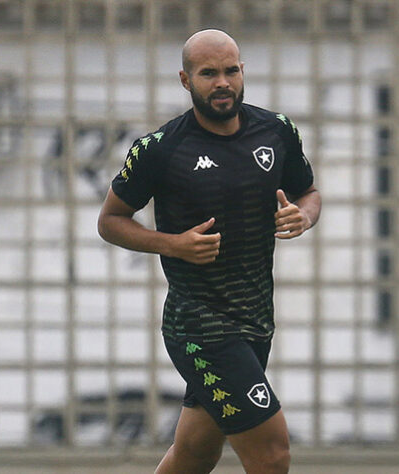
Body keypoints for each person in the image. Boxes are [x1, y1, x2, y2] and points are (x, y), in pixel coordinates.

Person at [97, 29, 320, 473]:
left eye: (230, 71)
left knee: (194, 455)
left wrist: (303, 216)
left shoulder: (276, 131)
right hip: (200, 326)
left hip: (255, 322)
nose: (222, 82)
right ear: (185, 80)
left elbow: (308, 192)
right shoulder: (160, 150)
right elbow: (110, 222)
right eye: (208, 73)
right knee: (272, 453)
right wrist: (173, 245)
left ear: (243, 72)